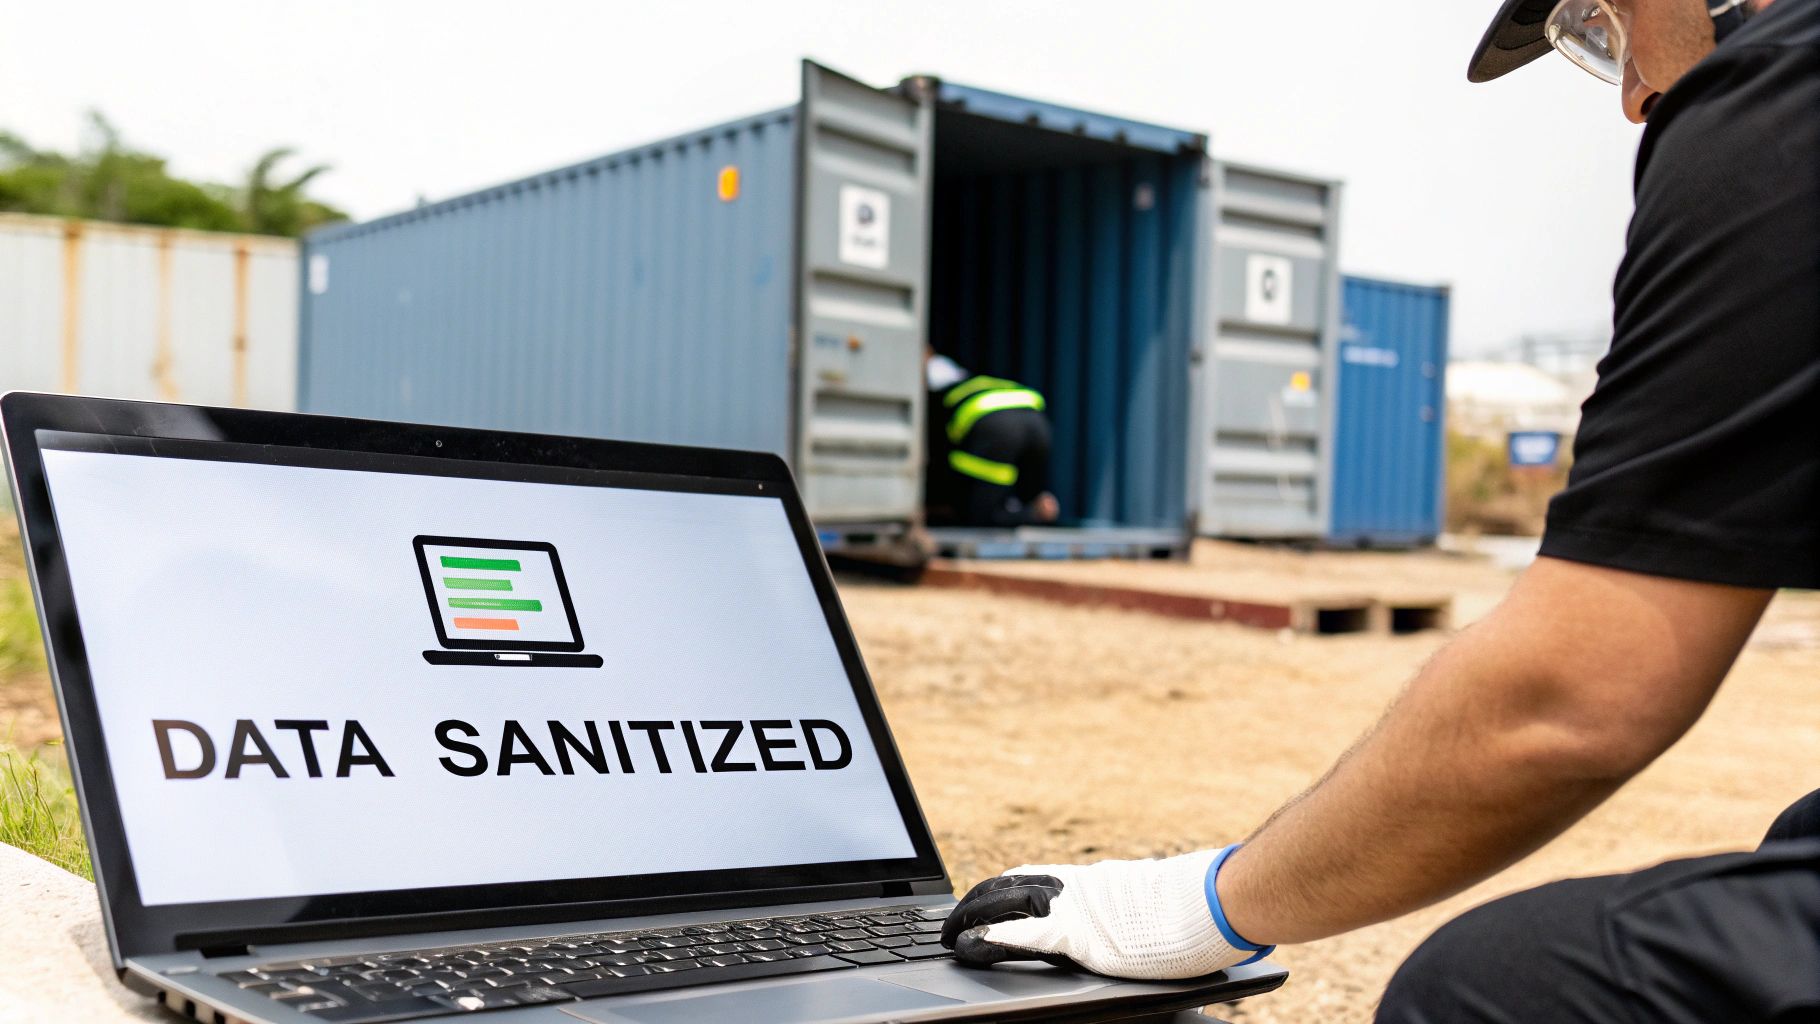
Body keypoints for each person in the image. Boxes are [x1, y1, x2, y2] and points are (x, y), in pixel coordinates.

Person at [940, 0, 1820, 1019]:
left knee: (1492, 990)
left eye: (1602, 21)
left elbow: (1567, 700)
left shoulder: (1773, 94)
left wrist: (1186, 908)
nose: (1631, 98)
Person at [924, 351, 1061, 528]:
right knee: (1026, 493)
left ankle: (1031, 514)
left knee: (979, 516)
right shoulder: (972, 381)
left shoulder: (934, 396)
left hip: (995, 426)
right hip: (1037, 420)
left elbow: (937, 454)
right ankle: (1041, 508)